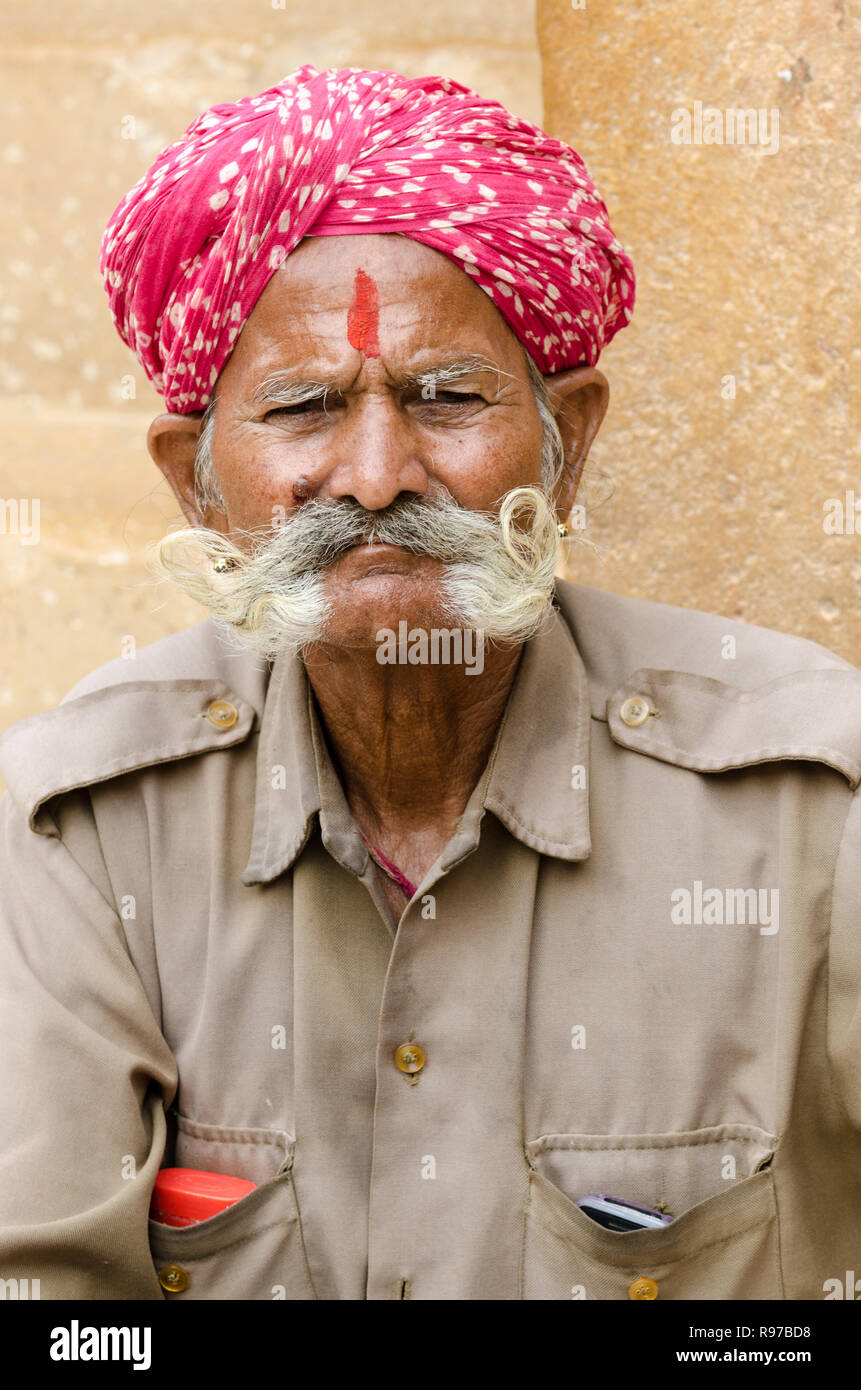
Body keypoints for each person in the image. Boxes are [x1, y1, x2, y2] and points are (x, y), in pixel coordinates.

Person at [0, 64, 858, 1302]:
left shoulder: (820, 805)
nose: (375, 473)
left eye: (448, 398)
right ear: (194, 483)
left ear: (568, 449)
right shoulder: (71, 826)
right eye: (302, 407)